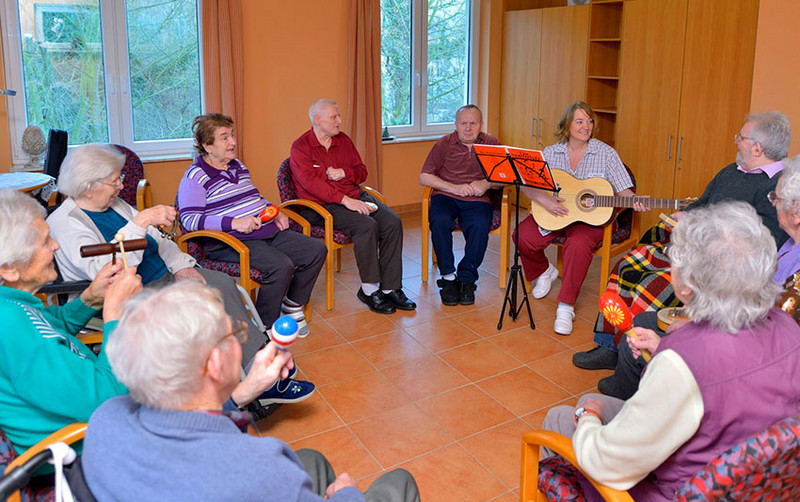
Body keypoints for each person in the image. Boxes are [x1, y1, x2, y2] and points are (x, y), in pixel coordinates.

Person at [541, 201, 800, 501]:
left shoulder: (683, 361)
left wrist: (588, 417)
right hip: (753, 484)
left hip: (671, 489)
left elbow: (607, 464)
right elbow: (733, 377)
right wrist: (664, 348)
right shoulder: (787, 327)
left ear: (687, 286)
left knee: (562, 418)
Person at [82, 281, 421, 502]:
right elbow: (248, 477)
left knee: (313, 462)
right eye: (233, 334)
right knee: (398, 484)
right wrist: (347, 495)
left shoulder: (106, 419)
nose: (239, 341)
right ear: (214, 363)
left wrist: (244, 391)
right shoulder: (260, 468)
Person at [48, 143, 315, 412]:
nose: (121, 185)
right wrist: (139, 223)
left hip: (163, 275)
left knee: (222, 284)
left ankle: (259, 369)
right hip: (129, 294)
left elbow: (160, 242)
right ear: (89, 185)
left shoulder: (115, 206)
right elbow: (106, 273)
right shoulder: (66, 222)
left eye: (120, 178)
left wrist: (180, 266)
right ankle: (250, 388)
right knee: (205, 309)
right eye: (114, 180)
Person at [574, 111, 791, 371]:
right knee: (627, 265)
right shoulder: (732, 171)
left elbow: (761, 242)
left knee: (651, 286)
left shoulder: (776, 188)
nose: (736, 141)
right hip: (689, 245)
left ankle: (629, 359)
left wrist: (703, 232)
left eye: (741, 137)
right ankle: (607, 346)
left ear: (757, 147)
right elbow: (702, 202)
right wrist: (684, 215)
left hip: (715, 265)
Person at [599, 154, 800, 400]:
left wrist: (695, 328)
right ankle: (617, 367)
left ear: (796, 213)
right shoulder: (790, 244)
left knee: (643, 328)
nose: (772, 203)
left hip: (735, 352)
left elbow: (760, 334)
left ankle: (625, 408)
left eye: (775, 198)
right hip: (732, 329)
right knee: (643, 315)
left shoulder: (793, 277)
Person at [0, 188, 141, 454]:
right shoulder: (11, 326)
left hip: (99, 425)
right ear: (9, 268)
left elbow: (52, 327)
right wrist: (116, 318)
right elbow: (108, 399)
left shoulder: (12, 305)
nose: (56, 245)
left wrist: (91, 298)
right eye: (44, 242)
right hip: (87, 452)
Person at [179, 113, 327, 339]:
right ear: (207, 145)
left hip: (263, 230)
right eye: (224, 138)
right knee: (281, 266)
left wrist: (273, 211)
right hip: (229, 242)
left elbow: (254, 198)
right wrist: (234, 223)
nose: (233, 142)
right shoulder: (195, 176)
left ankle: (292, 305)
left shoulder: (237, 166)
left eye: (232, 136)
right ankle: (264, 327)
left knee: (316, 250)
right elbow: (189, 220)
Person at [515, 102, 646, 335]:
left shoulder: (606, 153)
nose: (587, 126)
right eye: (580, 121)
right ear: (567, 125)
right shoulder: (550, 153)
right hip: (556, 214)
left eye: (590, 121)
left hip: (590, 220)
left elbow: (624, 188)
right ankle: (543, 271)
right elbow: (526, 185)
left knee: (577, 244)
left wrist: (634, 199)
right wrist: (545, 201)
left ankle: (566, 307)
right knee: (522, 235)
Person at [290, 99, 416, 315]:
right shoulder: (301, 147)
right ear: (317, 119)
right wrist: (346, 200)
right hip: (321, 206)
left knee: (392, 222)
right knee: (366, 226)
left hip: (354, 195)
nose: (339, 121)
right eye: (334, 117)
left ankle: (390, 287)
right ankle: (369, 289)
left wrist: (345, 173)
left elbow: (362, 172)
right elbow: (312, 185)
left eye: (339, 116)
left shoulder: (344, 141)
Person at [419, 104, 501, 306]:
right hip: (446, 196)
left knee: (480, 224)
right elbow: (424, 177)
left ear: (481, 125)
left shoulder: (492, 143)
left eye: (473, 123)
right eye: (463, 123)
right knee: (438, 220)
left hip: (477, 199)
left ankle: (467, 280)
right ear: (456, 125)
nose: (468, 128)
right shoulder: (444, 143)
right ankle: (448, 278)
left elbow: (505, 177)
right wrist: (453, 188)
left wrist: (486, 183)